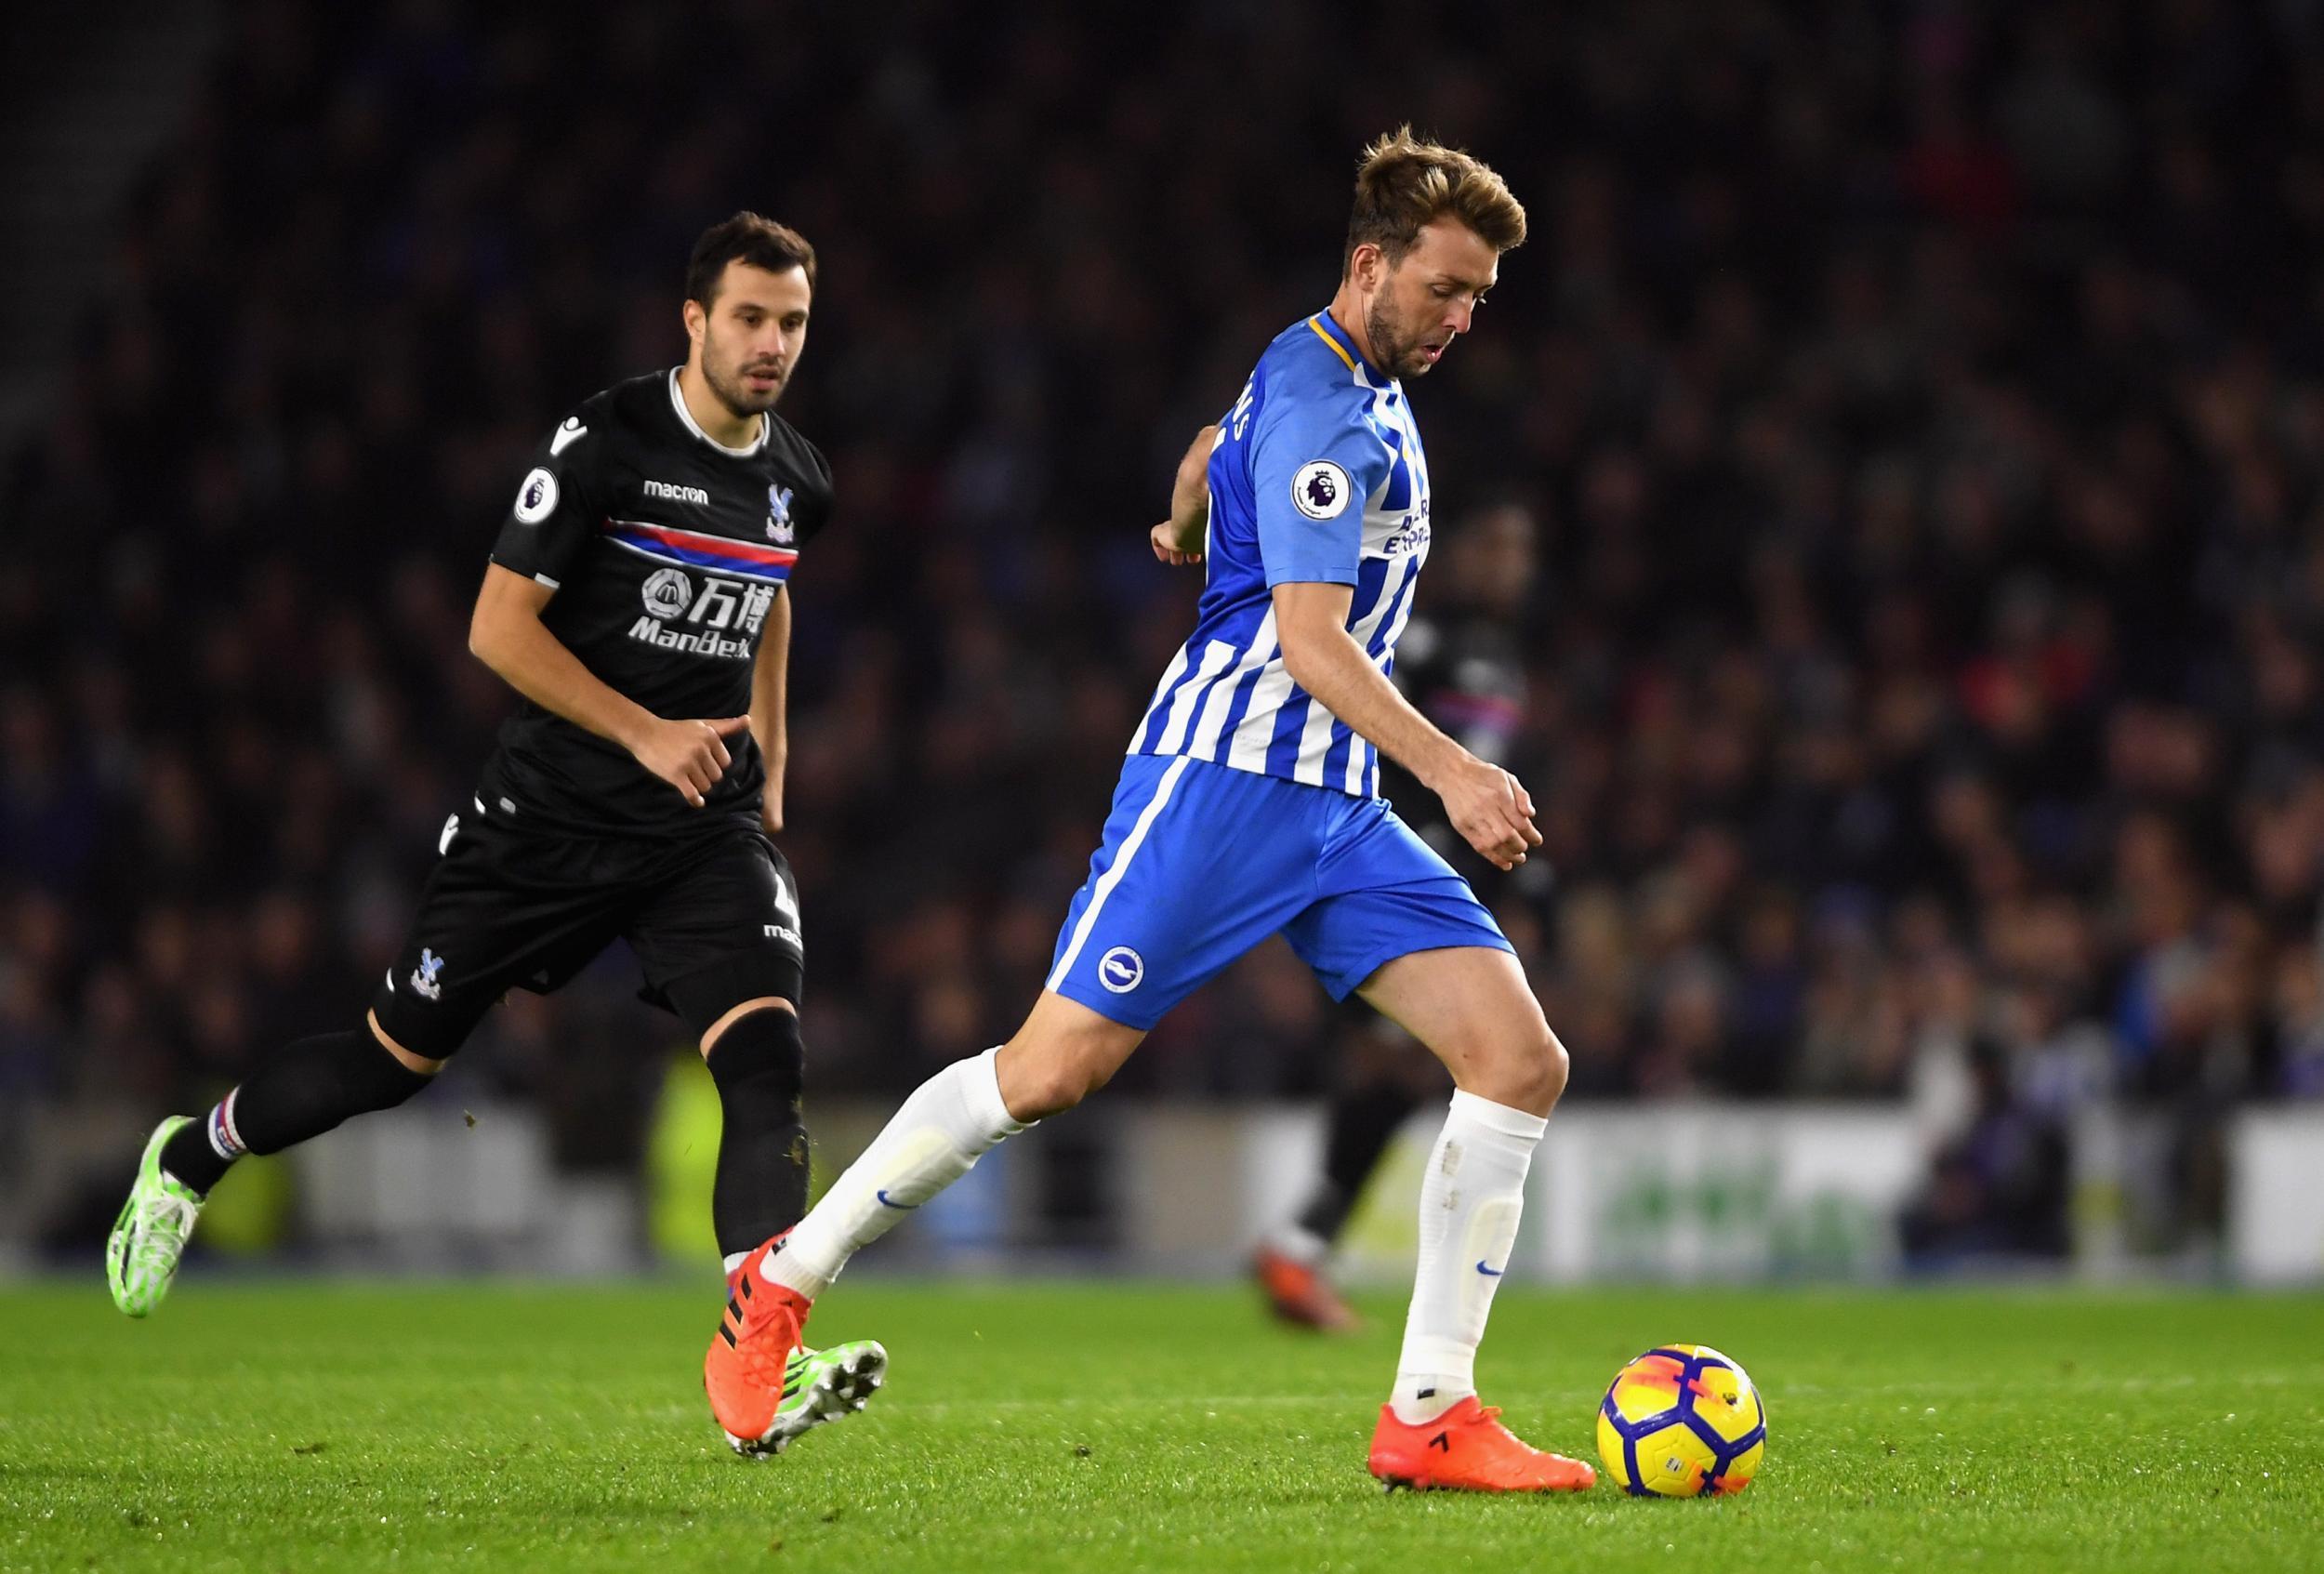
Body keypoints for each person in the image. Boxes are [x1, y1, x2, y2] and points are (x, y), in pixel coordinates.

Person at [712, 129, 1595, 1494]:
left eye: (1480, 295)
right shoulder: (1325, 410)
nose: (1464, 317)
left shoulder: (1329, 370)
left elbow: (1209, 446)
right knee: (1049, 1072)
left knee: (1518, 1060)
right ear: (1373, 266)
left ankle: (1430, 1411)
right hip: (1225, 786)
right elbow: (1311, 642)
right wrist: (1458, 771)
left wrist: (1190, 515)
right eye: (1446, 288)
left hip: (1333, 807)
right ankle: (785, 1276)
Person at [104, 212, 885, 1459]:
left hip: (700, 826)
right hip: (547, 822)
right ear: (693, 320)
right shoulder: (605, 441)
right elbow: (496, 628)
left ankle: (761, 1358)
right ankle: (192, 1156)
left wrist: (773, 749)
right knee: (391, 1061)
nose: (773, 343)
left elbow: (772, 589)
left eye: (793, 322)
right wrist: (642, 731)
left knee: (765, 1062)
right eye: (750, 317)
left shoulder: (799, 472)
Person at [1251, 501, 1541, 1331]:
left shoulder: (1503, 656)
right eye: (1497, 543)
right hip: (1380, 873)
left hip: (1449, 882)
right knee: (1398, 1064)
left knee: (1412, 1069)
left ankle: (1303, 1243)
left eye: (1522, 548)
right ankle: (1302, 1246)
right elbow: (1362, 725)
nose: (1512, 564)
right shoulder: (1415, 637)